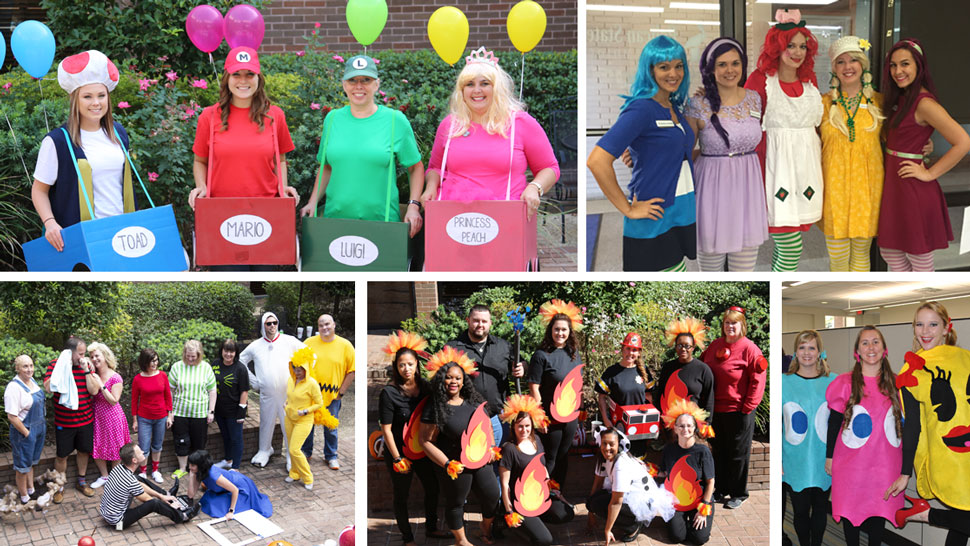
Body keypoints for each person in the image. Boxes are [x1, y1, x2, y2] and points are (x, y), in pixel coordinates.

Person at [587, 35, 696, 271]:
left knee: (678, 270)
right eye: (664, 67)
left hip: (679, 207)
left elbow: (670, 150)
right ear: (650, 70)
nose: (673, 74)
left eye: (678, 66)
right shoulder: (642, 108)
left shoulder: (672, 106)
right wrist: (627, 208)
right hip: (654, 212)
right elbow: (597, 161)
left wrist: (639, 154)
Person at [188, 47, 299, 270]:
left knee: (265, 285)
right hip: (221, 215)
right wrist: (201, 187)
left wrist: (283, 187)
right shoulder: (209, 116)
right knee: (229, 284)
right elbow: (200, 161)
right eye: (237, 74)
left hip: (266, 214)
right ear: (227, 78)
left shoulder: (275, 115)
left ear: (259, 78)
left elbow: (281, 159)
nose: (243, 81)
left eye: (250, 74)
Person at [422, 46, 560, 221]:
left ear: (498, 88)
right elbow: (435, 168)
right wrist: (431, 187)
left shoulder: (521, 123)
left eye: (485, 83)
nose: (477, 90)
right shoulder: (450, 125)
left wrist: (535, 187)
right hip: (455, 220)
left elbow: (550, 168)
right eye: (469, 84)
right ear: (462, 92)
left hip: (507, 218)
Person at [299, 54, 424, 238]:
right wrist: (312, 202)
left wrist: (413, 206)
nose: (359, 86)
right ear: (344, 85)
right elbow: (326, 166)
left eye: (366, 80)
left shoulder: (394, 121)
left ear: (377, 84)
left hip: (383, 224)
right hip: (336, 222)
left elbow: (415, 167)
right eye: (352, 80)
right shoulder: (332, 119)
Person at [876, 40, 970, 271]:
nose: (898, 71)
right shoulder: (900, 97)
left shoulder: (924, 102)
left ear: (919, 66)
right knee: (891, 251)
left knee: (918, 255)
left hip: (913, 187)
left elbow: (963, 142)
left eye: (905, 64)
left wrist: (929, 173)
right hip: (894, 185)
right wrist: (921, 142)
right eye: (894, 65)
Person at [30, 51, 137, 253]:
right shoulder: (58, 141)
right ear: (74, 99)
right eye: (87, 96)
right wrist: (50, 222)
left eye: (101, 95)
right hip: (83, 237)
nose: (96, 103)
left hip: (122, 233)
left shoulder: (118, 133)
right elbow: (39, 190)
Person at [745, 9, 822, 272]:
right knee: (791, 248)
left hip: (805, 172)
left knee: (787, 247)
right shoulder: (760, 81)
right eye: (790, 45)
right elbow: (743, 125)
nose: (797, 52)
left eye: (802, 46)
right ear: (776, 47)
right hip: (775, 172)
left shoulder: (809, 81)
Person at [889, 302, 970, 542]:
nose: (925, 331)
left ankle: (925, 514)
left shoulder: (966, 359)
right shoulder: (912, 370)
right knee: (962, 513)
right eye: (919, 324)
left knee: (961, 517)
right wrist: (905, 473)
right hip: (949, 456)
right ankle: (927, 515)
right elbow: (912, 425)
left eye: (933, 324)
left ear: (947, 328)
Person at [685, 37, 767, 272]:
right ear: (710, 68)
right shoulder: (697, 104)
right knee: (710, 270)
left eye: (735, 63)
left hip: (748, 188)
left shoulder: (755, 98)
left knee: (745, 270)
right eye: (722, 64)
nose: (729, 70)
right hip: (712, 189)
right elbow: (683, 151)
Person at [825, 326, 902, 546]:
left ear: (884, 349)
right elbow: (834, 423)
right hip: (851, 464)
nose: (871, 347)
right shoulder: (844, 383)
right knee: (851, 513)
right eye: (865, 343)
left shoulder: (897, 383)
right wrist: (829, 457)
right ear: (856, 351)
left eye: (875, 342)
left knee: (879, 513)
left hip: (885, 464)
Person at [419, 350, 499, 546]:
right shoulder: (435, 406)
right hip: (455, 464)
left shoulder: (473, 400)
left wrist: (491, 446)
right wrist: (447, 463)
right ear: (441, 380)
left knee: (492, 496)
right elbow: (425, 441)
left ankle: (485, 527)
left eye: (457, 378)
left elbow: (486, 424)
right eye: (448, 378)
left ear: (463, 382)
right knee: (455, 503)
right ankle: (461, 540)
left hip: (480, 460)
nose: (453, 381)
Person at [819, 36, 885, 272]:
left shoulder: (879, 102)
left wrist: (925, 145)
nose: (848, 67)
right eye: (841, 62)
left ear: (863, 65)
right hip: (834, 192)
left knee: (861, 256)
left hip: (866, 191)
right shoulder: (823, 103)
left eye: (853, 60)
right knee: (837, 260)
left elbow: (901, 136)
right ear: (834, 69)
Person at [378, 331, 448, 545]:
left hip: (422, 450)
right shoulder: (389, 393)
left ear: (417, 364)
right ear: (396, 367)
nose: (406, 368)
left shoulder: (426, 388)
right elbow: (386, 430)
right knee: (401, 495)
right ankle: (407, 537)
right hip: (400, 453)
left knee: (432, 488)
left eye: (410, 364)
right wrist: (398, 458)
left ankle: (431, 528)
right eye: (401, 365)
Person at [699, 306, 767, 509]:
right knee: (719, 451)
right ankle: (719, 489)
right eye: (727, 322)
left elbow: (758, 379)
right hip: (716, 409)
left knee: (738, 454)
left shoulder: (750, 348)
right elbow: (702, 368)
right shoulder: (714, 346)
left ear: (742, 325)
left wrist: (748, 407)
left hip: (739, 411)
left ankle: (739, 493)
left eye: (734, 323)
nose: (730, 326)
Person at [446, 304, 525, 449]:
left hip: (498, 417)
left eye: (484, 321)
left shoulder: (503, 346)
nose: (480, 325)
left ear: (490, 323)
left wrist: (522, 368)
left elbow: (521, 363)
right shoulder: (453, 348)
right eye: (476, 320)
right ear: (468, 320)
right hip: (466, 417)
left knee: (499, 459)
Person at [782, 330, 834, 546]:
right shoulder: (783, 382)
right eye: (802, 347)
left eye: (811, 347)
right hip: (794, 460)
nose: (806, 352)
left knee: (821, 510)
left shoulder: (834, 382)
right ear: (795, 352)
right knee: (801, 512)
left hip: (824, 459)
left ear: (820, 352)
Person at [498, 395, 573, 546]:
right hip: (520, 501)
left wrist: (552, 490)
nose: (524, 430)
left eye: (527, 426)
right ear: (513, 426)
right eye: (520, 426)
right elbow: (505, 484)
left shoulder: (536, 441)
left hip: (538, 496)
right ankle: (510, 524)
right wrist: (509, 511)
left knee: (566, 514)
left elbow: (543, 467)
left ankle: (536, 521)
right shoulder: (509, 449)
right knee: (545, 540)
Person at [527, 300, 584, 494]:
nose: (560, 333)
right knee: (550, 456)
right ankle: (543, 495)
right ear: (551, 330)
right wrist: (539, 416)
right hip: (550, 417)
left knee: (564, 456)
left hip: (570, 416)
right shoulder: (541, 355)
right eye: (557, 329)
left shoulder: (574, 354)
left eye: (564, 330)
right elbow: (534, 388)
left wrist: (580, 411)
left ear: (570, 332)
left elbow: (578, 385)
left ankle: (559, 493)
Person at [239, 312, 306, 468]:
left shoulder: (289, 341)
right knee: (266, 422)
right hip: (267, 394)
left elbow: (310, 356)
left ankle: (291, 455)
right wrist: (253, 381)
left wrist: (301, 380)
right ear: (263, 325)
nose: (272, 326)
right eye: (268, 323)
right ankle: (264, 450)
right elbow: (241, 361)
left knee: (288, 424)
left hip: (287, 394)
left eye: (274, 322)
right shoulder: (256, 345)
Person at [587, 426, 676, 543]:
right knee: (593, 501)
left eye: (611, 444)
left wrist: (607, 530)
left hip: (642, 500)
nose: (607, 448)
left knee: (601, 504)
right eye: (604, 443)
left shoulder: (620, 465)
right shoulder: (603, 458)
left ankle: (633, 526)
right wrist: (590, 511)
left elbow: (616, 502)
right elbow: (597, 484)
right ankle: (625, 520)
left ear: (618, 444)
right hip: (628, 494)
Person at [43, 336, 97, 502]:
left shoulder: (86, 366)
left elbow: (94, 391)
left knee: (83, 451)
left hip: (85, 420)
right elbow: (48, 388)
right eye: (79, 354)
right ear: (69, 353)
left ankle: (81, 481)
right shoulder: (55, 365)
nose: (82, 357)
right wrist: (62, 368)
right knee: (62, 456)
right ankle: (59, 486)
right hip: (64, 422)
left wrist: (87, 370)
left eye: (83, 353)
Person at [99, 443, 195, 530]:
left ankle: (167, 494)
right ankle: (182, 516)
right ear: (134, 460)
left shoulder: (118, 468)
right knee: (154, 503)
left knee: (138, 478)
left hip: (106, 513)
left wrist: (161, 496)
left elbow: (138, 485)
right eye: (140, 452)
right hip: (118, 524)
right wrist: (170, 505)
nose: (143, 451)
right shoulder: (130, 481)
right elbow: (148, 500)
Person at [303, 313, 355, 470]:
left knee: (331, 428)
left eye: (327, 324)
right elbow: (298, 364)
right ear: (317, 327)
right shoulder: (308, 343)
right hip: (310, 395)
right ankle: (305, 453)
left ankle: (331, 456)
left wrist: (341, 393)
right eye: (321, 325)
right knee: (307, 426)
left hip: (332, 396)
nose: (324, 327)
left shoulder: (345, 345)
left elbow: (352, 371)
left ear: (334, 325)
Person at [660, 402, 716, 545]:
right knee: (677, 537)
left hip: (700, 499)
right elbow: (664, 473)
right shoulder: (668, 450)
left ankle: (694, 521)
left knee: (699, 539)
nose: (685, 429)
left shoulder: (703, 451)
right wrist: (647, 469)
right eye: (681, 426)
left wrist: (704, 508)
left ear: (695, 428)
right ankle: (681, 521)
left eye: (689, 425)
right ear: (675, 428)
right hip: (677, 501)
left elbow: (710, 482)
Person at [595, 332, 655, 455]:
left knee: (638, 461)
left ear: (639, 353)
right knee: (619, 461)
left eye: (634, 350)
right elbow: (602, 397)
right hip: (618, 427)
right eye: (628, 348)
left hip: (638, 427)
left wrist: (651, 419)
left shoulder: (644, 372)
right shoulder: (611, 372)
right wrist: (606, 420)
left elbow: (650, 396)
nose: (630, 353)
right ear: (622, 349)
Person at [656, 318, 715, 435]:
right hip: (670, 426)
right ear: (675, 347)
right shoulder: (668, 367)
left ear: (693, 347)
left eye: (687, 346)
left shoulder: (703, 370)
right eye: (680, 345)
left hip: (693, 426)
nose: (683, 349)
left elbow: (709, 399)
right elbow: (660, 393)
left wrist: (706, 424)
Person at [168, 339, 216, 479]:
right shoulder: (177, 367)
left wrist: (211, 411)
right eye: (188, 356)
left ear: (199, 355)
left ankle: (196, 469)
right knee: (181, 441)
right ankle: (182, 468)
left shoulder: (206, 368)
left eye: (193, 356)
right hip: (180, 412)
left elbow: (212, 390)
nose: (190, 359)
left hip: (200, 413)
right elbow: (170, 391)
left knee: (198, 442)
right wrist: (169, 412)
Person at [87, 342, 131, 489]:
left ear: (105, 356)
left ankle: (114, 477)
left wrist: (102, 385)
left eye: (97, 355)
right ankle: (104, 476)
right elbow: (93, 392)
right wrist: (91, 375)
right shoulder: (94, 375)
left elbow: (113, 400)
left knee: (116, 448)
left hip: (113, 416)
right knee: (97, 444)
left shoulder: (115, 377)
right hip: (98, 415)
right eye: (91, 356)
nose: (94, 359)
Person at [5, 355, 45, 505]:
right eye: (25, 366)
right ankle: (24, 497)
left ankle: (31, 489)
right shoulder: (13, 388)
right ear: (17, 368)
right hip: (24, 432)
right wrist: (27, 434)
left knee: (31, 463)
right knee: (22, 467)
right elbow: (12, 416)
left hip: (39, 429)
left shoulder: (32, 382)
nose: (29, 369)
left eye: (31, 365)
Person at [187, 449, 272, 519]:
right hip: (224, 489)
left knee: (215, 507)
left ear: (201, 466)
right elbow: (190, 495)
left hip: (240, 487)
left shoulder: (214, 476)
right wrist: (191, 476)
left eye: (193, 465)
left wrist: (231, 511)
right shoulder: (198, 472)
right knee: (209, 502)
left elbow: (235, 489)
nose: (190, 467)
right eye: (189, 464)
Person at [284, 347, 324, 490]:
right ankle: (294, 473)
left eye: (300, 369)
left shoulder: (312, 383)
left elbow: (320, 403)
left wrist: (306, 410)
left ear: (306, 368)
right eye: (294, 368)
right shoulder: (290, 380)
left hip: (304, 420)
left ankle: (308, 477)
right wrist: (286, 403)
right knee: (290, 448)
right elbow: (290, 396)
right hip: (289, 418)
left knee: (295, 449)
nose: (297, 371)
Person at [131, 348, 171, 482]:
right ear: (144, 362)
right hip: (144, 418)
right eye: (151, 361)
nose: (154, 363)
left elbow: (168, 396)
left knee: (157, 445)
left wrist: (169, 415)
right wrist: (135, 420)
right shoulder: (138, 379)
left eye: (156, 360)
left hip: (161, 416)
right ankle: (143, 472)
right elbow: (134, 400)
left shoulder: (163, 376)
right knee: (144, 446)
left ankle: (155, 470)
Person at [211, 339, 249, 470]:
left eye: (231, 351)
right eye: (226, 351)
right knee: (225, 436)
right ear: (221, 351)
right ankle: (228, 460)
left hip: (234, 411)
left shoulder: (240, 369)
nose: (228, 354)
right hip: (220, 409)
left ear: (236, 353)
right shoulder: (215, 364)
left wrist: (241, 411)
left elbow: (244, 391)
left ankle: (236, 466)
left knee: (236, 439)